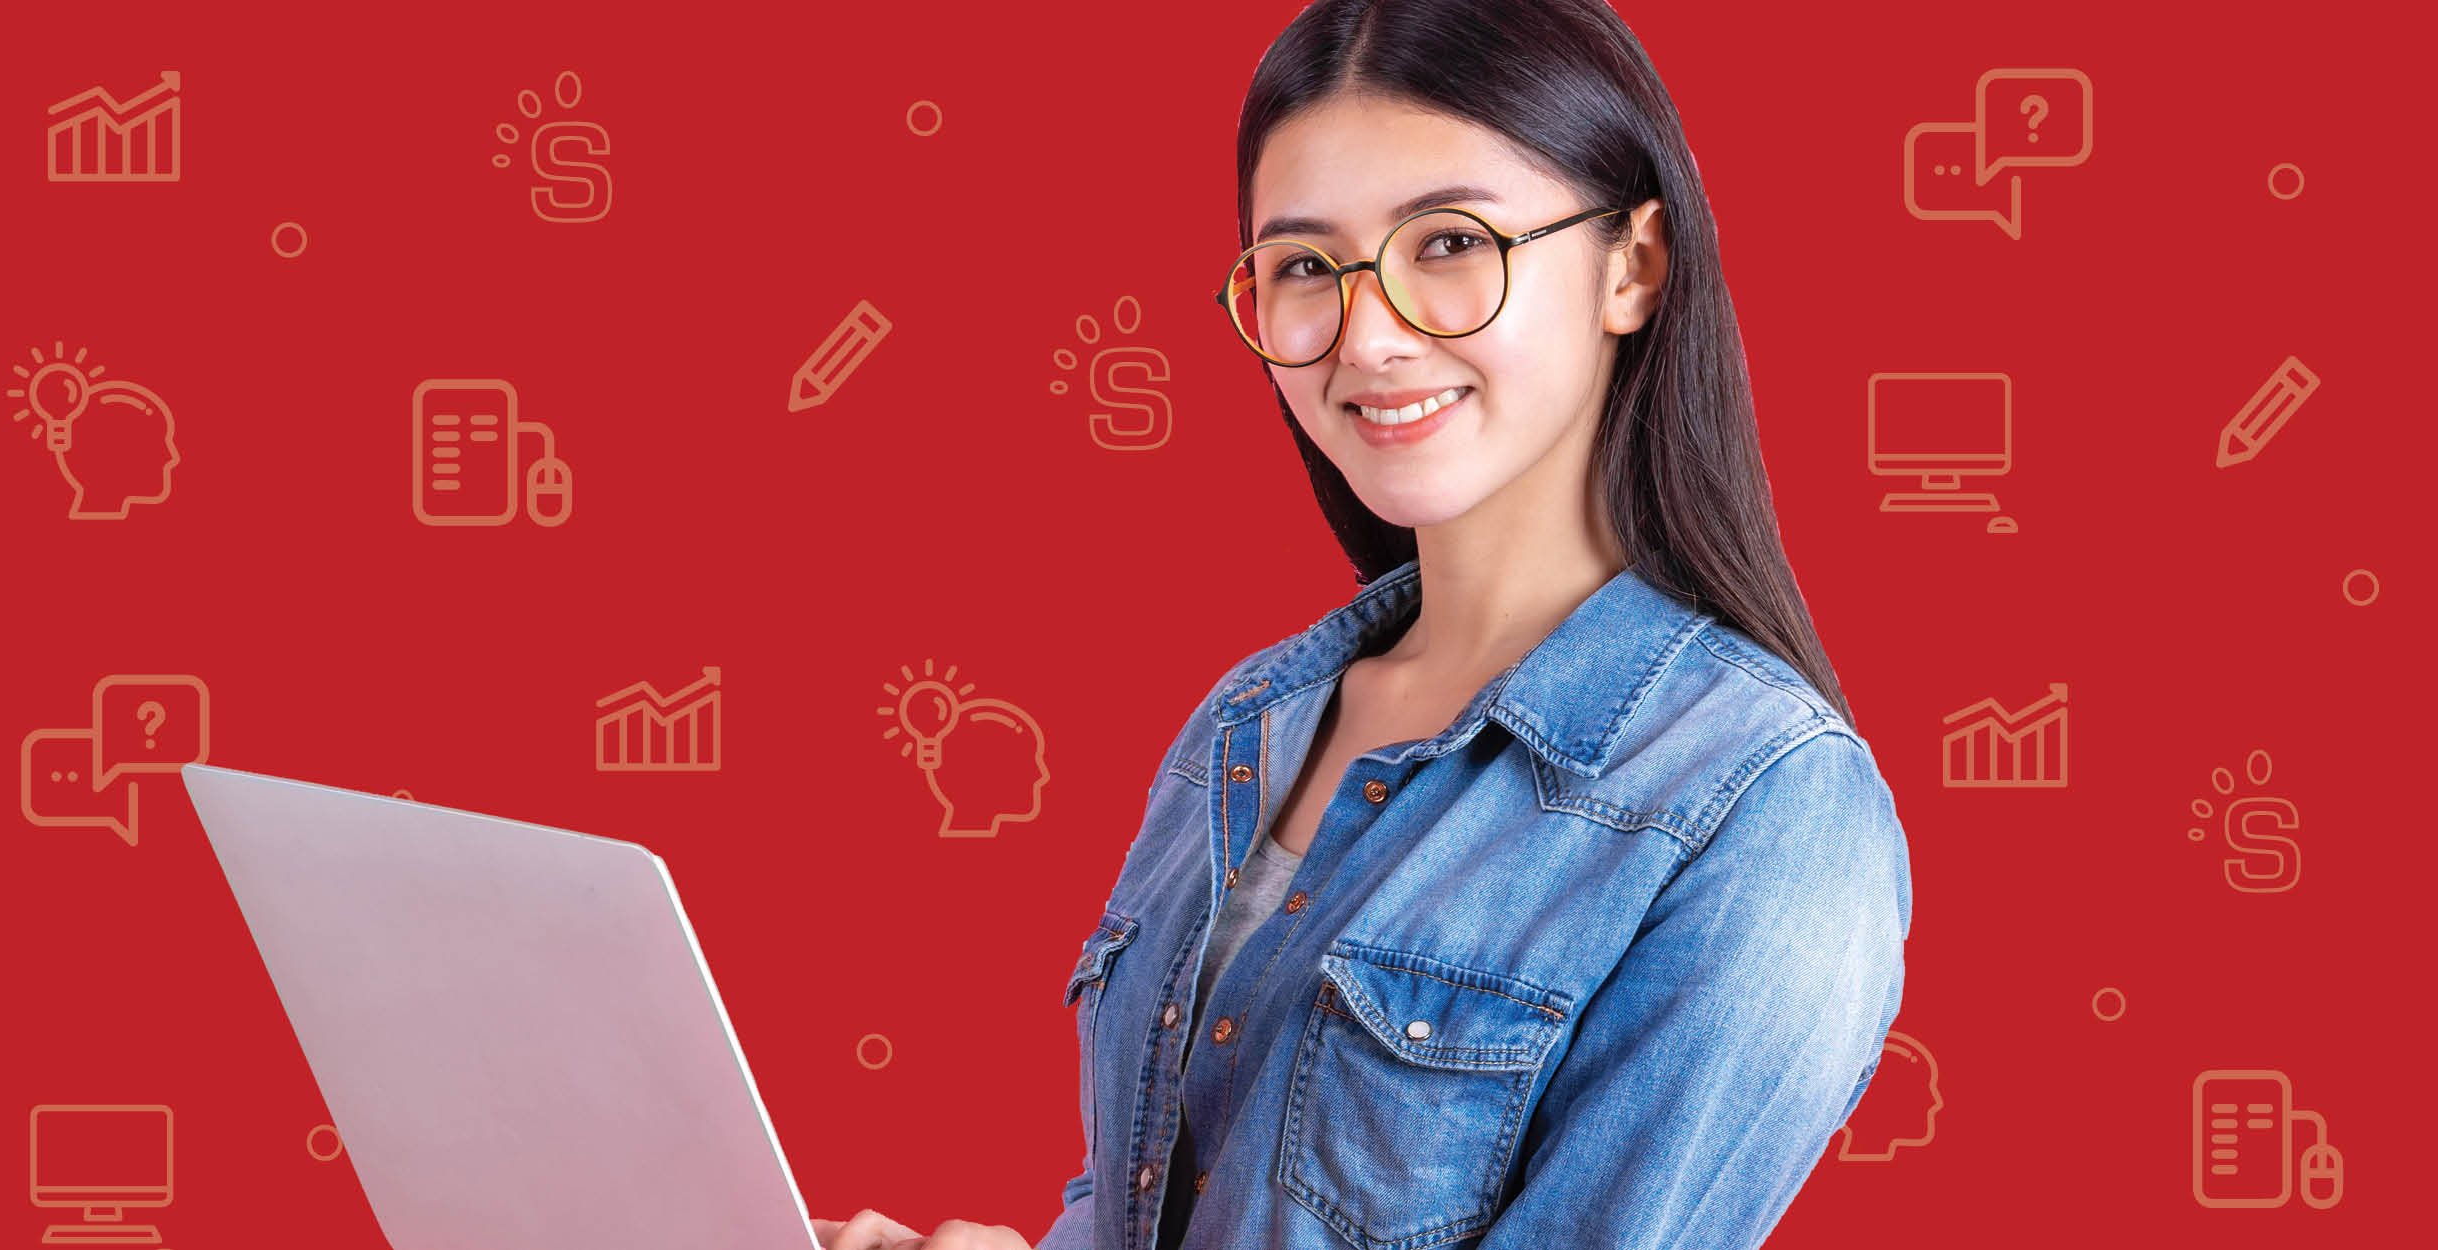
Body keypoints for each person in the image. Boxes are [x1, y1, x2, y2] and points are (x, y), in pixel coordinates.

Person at [814, 0, 1911, 1246]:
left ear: (1631, 266)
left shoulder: (1763, 806)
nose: (1370, 334)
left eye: (1447, 242)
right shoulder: (1248, 725)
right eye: (1302, 267)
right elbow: (1140, 1200)